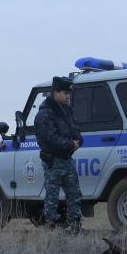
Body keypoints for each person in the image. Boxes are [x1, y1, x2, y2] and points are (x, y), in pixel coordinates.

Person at [35, 76, 83, 232]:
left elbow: (75, 129)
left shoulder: (66, 110)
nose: (68, 95)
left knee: (74, 193)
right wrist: (70, 144)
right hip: (53, 161)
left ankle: (75, 225)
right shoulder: (45, 114)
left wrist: (78, 141)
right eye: (65, 92)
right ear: (55, 93)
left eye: (69, 92)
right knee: (52, 197)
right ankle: (51, 227)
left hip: (67, 159)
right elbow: (49, 138)